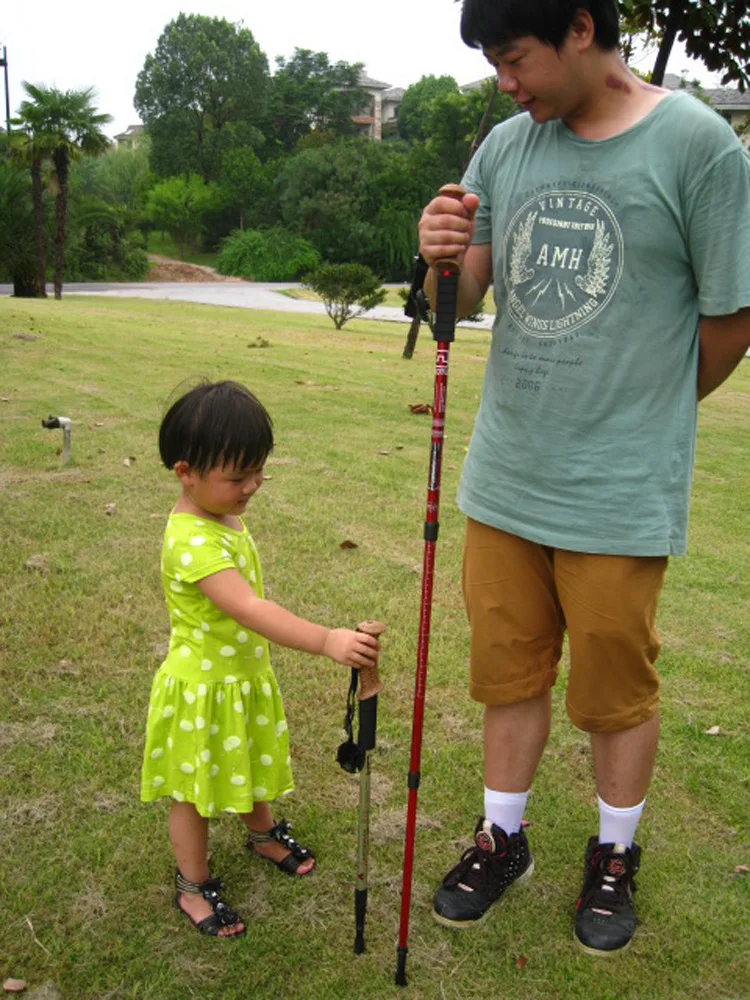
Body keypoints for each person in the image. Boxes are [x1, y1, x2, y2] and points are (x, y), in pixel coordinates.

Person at [418, 0, 750, 957]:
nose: (503, 82)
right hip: (507, 473)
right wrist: (438, 248)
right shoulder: (508, 148)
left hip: (618, 486)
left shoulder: (697, 146)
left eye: (513, 58)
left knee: (614, 683)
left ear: (578, 29)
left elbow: (731, 313)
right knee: (508, 669)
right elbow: (466, 292)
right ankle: (503, 837)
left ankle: (613, 854)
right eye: (490, 62)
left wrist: (649, 408)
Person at [140, 380, 380, 938]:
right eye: (238, 477)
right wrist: (325, 640)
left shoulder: (221, 514)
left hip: (241, 679)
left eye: (259, 472)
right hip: (203, 689)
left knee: (247, 761)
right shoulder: (191, 541)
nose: (252, 486)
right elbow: (247, 607)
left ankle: (263, 833)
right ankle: (192, 886)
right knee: (194, 793)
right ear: (185, 472)